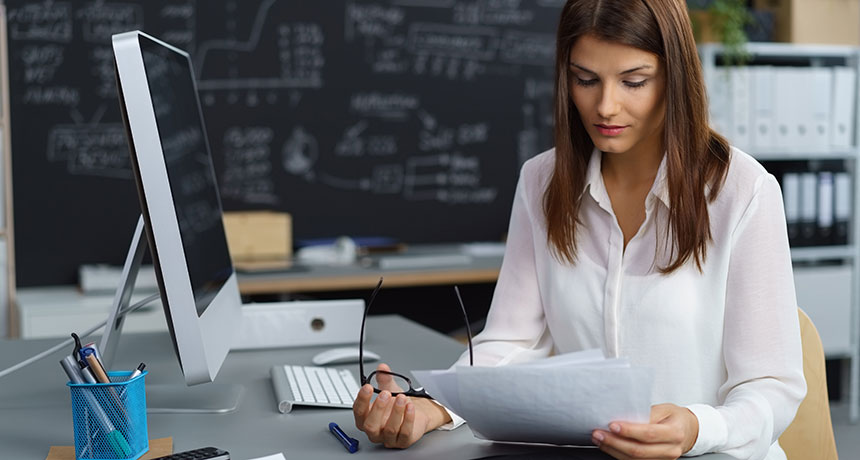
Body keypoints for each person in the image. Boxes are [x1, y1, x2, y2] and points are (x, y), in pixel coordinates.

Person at [352, 0, 807, 458]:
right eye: (585, 80)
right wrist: (432, 408)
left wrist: (697, 426)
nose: (605, 107)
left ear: (675, 77)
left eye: (634, 81)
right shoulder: (541, 182)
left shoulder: (743, 192)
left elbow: (772, 387)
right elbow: (513, 340)